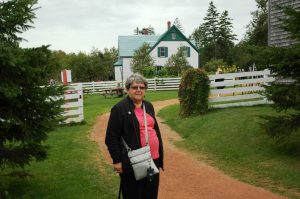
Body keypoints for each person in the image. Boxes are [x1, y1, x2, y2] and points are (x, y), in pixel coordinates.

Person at [105, 73, 164, 199]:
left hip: (152, 159)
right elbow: (111, 137)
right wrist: (117, 160)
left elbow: (153, 128)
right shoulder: (119, 109)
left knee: (151, 194)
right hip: (132, 161)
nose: (138, 90)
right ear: (128, 89)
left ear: (145, 90)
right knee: (133, 194)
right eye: (135, 87)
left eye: (142, 87)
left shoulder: (148, 106)